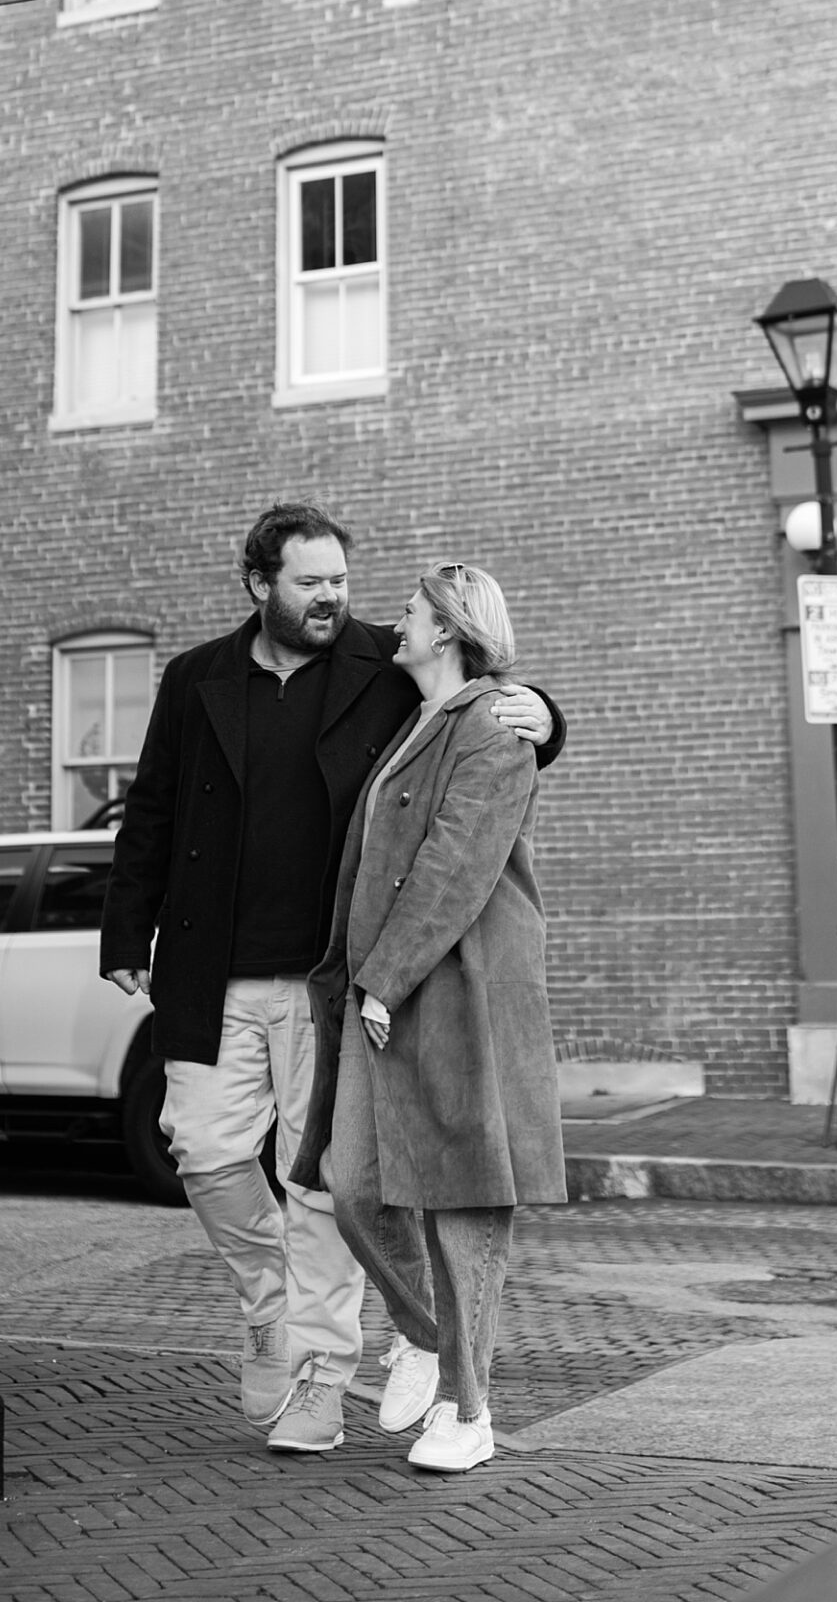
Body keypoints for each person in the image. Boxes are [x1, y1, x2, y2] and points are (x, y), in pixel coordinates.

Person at [100, 503, 562, 1457]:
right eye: (311, 582)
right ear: (259, 585)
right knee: (203, 1151)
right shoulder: (195, 680)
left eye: (342, 581)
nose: (334, 599)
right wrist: (125, 927)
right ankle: (271, 1300)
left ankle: (318, 1372)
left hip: (328, 976)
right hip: (207, 966)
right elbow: (151, 807)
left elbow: (477, 685)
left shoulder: (384, 661)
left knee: (317, 1184)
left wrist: (548, 717)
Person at [290, 562, 566, 1475]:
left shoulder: (490, 723)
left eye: (408, 614)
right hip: (382, 991)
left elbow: (457, 862)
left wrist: (385, 980)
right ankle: (434, 1341)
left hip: (456, 993)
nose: (391, 625)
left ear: (447, 628)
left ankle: (469, 1406)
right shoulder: (418, 715)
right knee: (351, 1181)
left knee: (463, 1195)